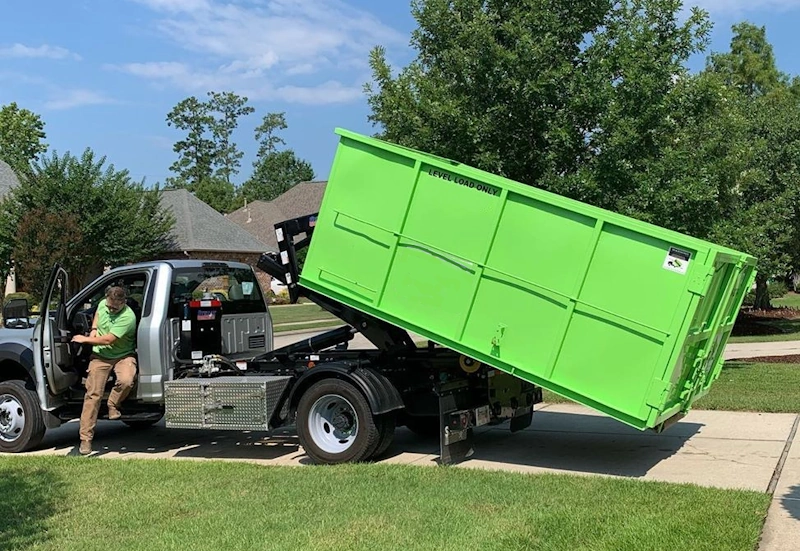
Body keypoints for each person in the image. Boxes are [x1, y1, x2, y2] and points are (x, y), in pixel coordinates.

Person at [71, 286, 137, 455]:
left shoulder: (128, 317)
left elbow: (108, 340)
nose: (110, 309)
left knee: (127, 380)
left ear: (123, 303)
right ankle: (85, 439)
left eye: (114, 307)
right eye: (109, 306)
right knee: (92, 395)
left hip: (123, 355)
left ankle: (113, 403)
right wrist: (93, 329)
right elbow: (98, 315)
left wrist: (85, 339)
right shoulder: (103, 304)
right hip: (100, 357)